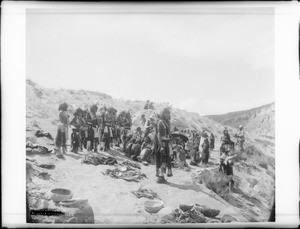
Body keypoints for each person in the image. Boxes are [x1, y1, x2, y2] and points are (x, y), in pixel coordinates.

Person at [155, 107, 173, 184]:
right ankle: (161, 177)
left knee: (165, 160)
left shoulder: (166, 122)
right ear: (163, 114)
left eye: (168, 113)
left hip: (166, 142)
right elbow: (158, 134)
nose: (167, 115)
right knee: (162, 160)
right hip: (161, 143)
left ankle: (162, 177)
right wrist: (161, 145)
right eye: (165, 113)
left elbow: (167, 133)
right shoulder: (160, 122)